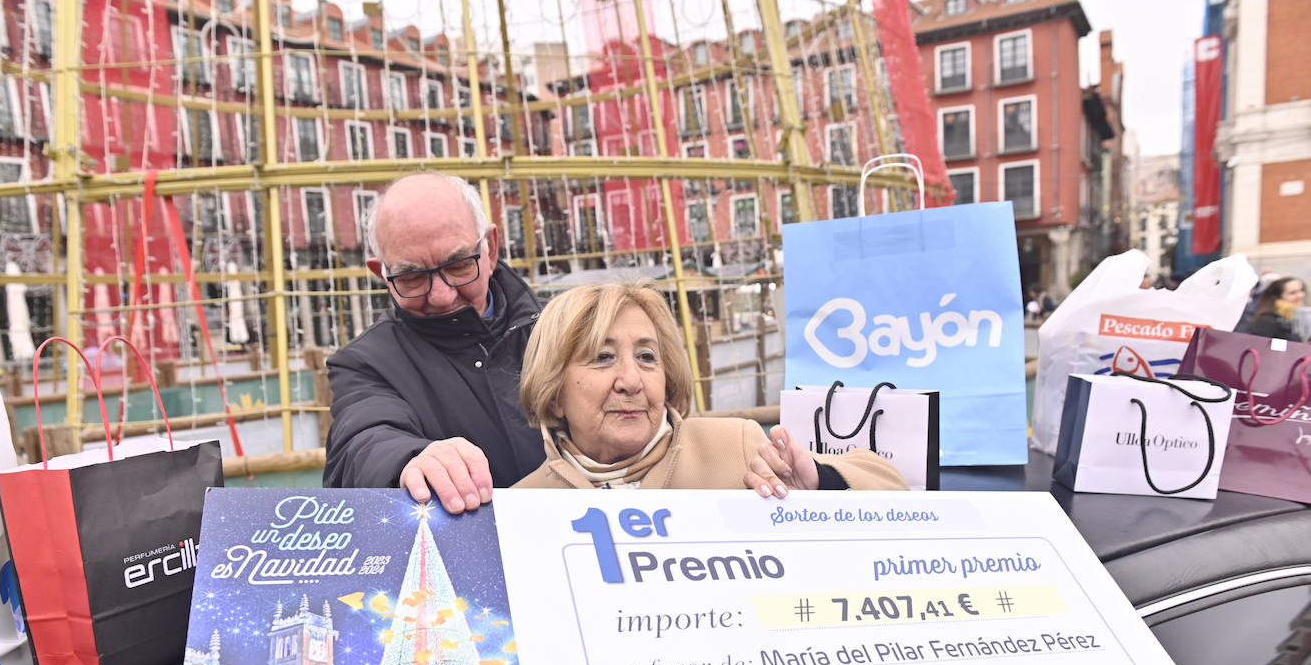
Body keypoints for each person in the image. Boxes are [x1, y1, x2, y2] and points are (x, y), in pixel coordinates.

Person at [513, 283, 907, 492]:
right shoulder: (520, 508)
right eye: (602, 356)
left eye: (648, 357)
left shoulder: (735, 446)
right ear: (553, 391)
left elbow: (893, 488)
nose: (632, 381)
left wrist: (819, 483)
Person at [323, 172, 545, 513]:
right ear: (381, 275)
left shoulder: (564, 329)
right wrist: (409, 460)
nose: (441, 296)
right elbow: (362, 440)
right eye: (411, 277)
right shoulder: (365, 363)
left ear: (491, 248)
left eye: (457, 266)